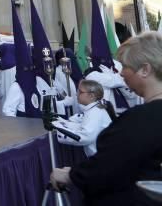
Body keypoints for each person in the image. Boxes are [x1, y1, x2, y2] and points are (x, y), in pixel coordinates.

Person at [51, 32, 162, 205]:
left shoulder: (140, 120)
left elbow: (107, 169)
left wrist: (70, 174)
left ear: (145, 70)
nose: (122, 74)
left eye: (125, 66)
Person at [53, 79, 115, 157]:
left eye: (80, 92)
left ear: (91, 96)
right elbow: (82, 126)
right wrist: (63, 123)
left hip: (104, 157)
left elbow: (85, 137)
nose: (76, 94)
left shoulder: (95, 112)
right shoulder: (94, 109)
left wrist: (60, 130)